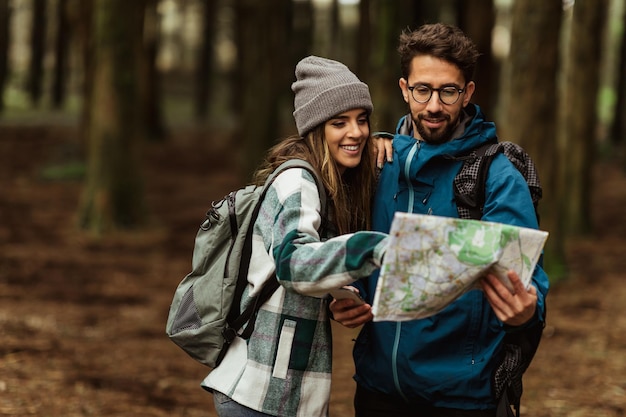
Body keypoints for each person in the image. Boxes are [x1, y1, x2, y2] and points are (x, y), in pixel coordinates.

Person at [330, 23, 549, 417]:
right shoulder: (376, 165)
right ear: (404, 88)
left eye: (448, 91)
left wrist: (528, 311)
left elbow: (528, 281)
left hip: (461, 398)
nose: (433, 105)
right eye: (422, 90)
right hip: (378, 389)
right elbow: (355, 253)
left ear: (467, 93)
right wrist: (346, 298)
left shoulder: (496, 175)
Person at [202, 56, 390, 417]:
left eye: (362, 120)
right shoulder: (298, 181)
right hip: (259, 393)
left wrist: (341, 294)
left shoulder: (326, 182)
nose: (357, 132)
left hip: (282, 392)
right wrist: (376, 247)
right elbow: (294, 264)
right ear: (316, 129)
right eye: (340, 122)